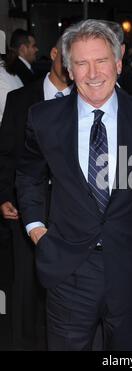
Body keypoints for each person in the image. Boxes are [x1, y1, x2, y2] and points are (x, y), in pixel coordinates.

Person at [15, 19, 132, 351]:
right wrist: (36, 229)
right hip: (68, 269)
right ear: (69, 69)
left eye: (101, 61)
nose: (93, 73)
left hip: (131, 270)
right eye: (81, 63)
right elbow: (29, 176)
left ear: (118, 63)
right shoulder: (43, 118)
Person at [0, 37, 72, 350]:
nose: (72, 67)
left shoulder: (86, 101)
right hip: (24, 209)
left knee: (64, 288)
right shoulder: (20, 98)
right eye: (68, 58)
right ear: (53, 54)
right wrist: (4, 195)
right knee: (24, 289)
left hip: (71, 214)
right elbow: (5, 154)